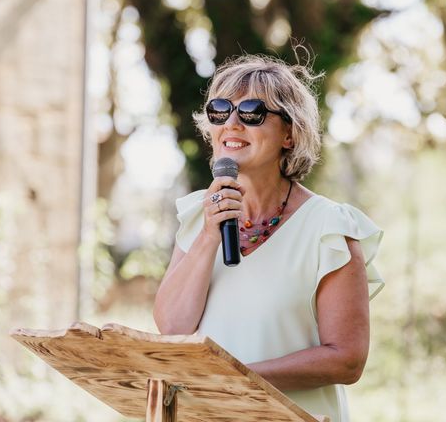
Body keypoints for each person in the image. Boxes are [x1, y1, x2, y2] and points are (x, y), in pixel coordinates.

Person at [153, 53, 384, 422]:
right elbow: (173, 327)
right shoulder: (199, 216)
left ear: (290, 134)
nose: (231, 124)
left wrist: (237, 376)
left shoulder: (328, 227)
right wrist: (209, 235)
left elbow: (347, 358)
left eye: (251, 113)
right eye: (219, 111)